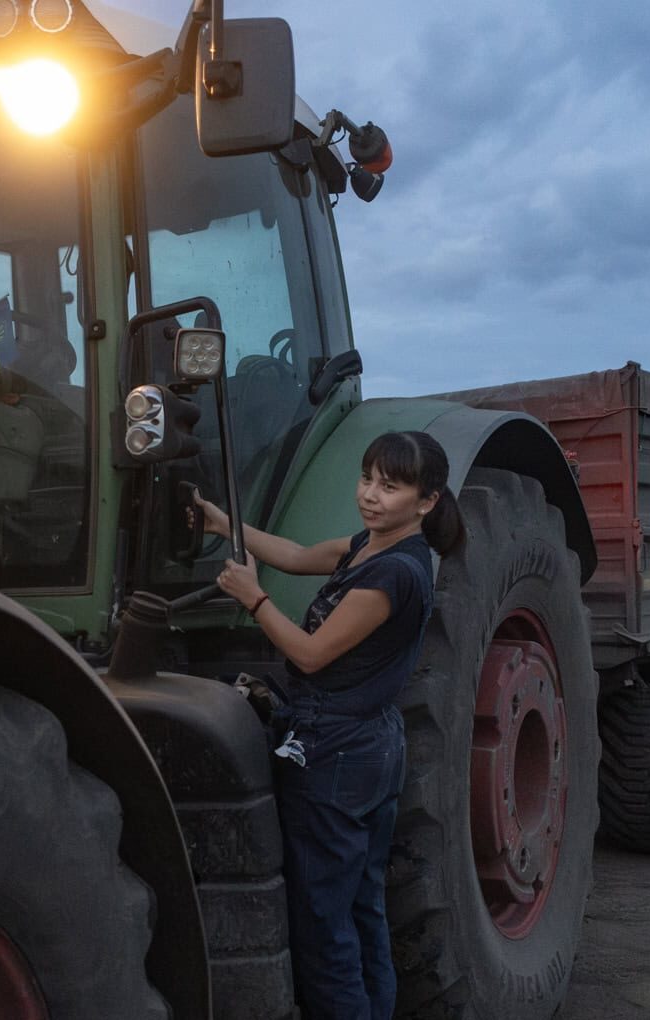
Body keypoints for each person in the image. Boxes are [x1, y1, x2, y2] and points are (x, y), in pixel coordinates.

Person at [194, 430, 466, 1020]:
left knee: (323, 921)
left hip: (339, 751)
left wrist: (253, 598)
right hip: (367, 746)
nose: (370, 495)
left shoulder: (394, 573)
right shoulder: (368, 547)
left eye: (389, 487)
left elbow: (312, 655)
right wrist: (223, 525)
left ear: (426, 502)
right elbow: (292, 554)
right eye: (367, 479)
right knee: (362, 906)